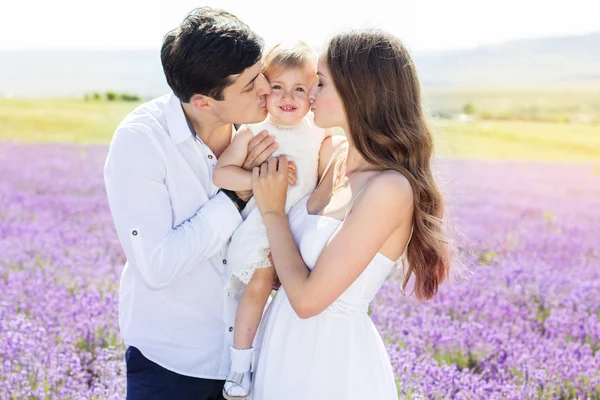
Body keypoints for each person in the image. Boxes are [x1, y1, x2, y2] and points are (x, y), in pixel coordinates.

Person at [249, 29, 451, 400]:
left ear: (358, 92)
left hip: (329, 366)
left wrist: (273, 212)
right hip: (281, 347)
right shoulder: (335, 157)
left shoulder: (389, 189)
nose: (309, 93)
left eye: (320, 83)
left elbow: (309, 301)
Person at [103, 8, 278, 400]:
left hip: (250, 362)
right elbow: (157, 265)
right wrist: (234, 197)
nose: (267, 87)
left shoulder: (269, 133)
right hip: (171, 365)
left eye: (261, 71)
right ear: (203, 102)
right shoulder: (141, 142)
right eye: (250, 85)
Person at [212, 41, 330, 399]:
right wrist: (261, 181)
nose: (287, 96)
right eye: (277, 87)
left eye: (299, 88)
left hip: (300, 232)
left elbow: (326, 180)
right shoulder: (254, 131)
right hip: (264, 228)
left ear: (313, 95)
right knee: (260, 286)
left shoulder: (321, 133)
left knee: (296, 301)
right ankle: (239, 365)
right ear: (264, 91)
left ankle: (279, 365)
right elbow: (222, 174)